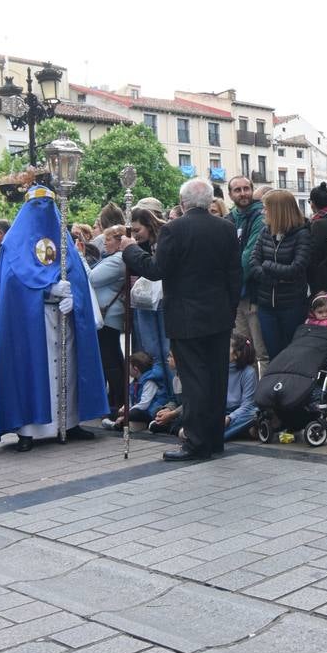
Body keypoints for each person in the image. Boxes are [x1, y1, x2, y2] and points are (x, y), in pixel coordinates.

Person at [0, 184, 110, 453]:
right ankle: (28, 428)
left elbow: (78, 276)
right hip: (30, 323)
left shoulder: (63, 241)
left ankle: (70, 422)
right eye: (37, 206)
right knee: (33, 370)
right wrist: (46, 288)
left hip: (63, 318)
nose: (43, 212)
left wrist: (75, 298)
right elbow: (13, 283)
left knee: (68, 371)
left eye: (48, 205)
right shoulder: (14, 243)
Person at [121, 178, 242, 461]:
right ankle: (213, 440)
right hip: (219, 316)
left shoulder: (174, 229)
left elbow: (156, 269)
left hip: (187, 319)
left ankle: (196, 443)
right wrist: (230, 309)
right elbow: (235, 274)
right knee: (215, 379)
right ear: (209, 201)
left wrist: (130, 250)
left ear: (183, 202)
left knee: (194, 381)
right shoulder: (225, 228)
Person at [250, 189, 312, 360]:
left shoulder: (302, 234)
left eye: (266, 208)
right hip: (266, 306)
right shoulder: (265, 232)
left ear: (278, 210)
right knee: (273, 354)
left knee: (293, 355)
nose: (263, 212)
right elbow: (253, 263)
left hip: (292, 306)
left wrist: (268, 265)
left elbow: (297, 269)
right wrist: (275, 277)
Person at [227, 175, 269, 367]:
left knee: (261, 352)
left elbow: (249, 256)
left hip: (253, 293)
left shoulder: (260, 216)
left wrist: (230, 283)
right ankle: (247, 396)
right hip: (235, 295)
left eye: (246, 188)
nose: (243, 193)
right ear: (230, 194)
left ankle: (264, 397)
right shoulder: (229, 218)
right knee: (242, 352)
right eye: (238, 190)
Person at [128, 208, 170, 384]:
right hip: (147, 301)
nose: (135, 235)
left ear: (149, 225)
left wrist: (131, 250)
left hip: (164, 300)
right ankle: (160, 393)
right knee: (152, 350)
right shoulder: (144, 243)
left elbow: (154, 269)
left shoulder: (164, 238)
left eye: (138, 230)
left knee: (166, 351)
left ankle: (173, 396)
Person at [90, 224, 129, 415]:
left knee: (110, 358)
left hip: (108, 315)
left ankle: (117, 399)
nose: (105, 242)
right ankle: (116, 397)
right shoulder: (113, 258)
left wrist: (80, 257)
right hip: (108, 314)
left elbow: (92, 277)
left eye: (108, 239)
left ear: (120, 240)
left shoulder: (118, 259)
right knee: (111, 356)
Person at [224, 332, 258, 442]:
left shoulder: (248, 372)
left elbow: (248, 405)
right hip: (222, 412)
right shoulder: (219, 369)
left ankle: (217, 435)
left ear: (237, 354)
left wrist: (230, 418)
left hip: (239, 413)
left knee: (255, 413)